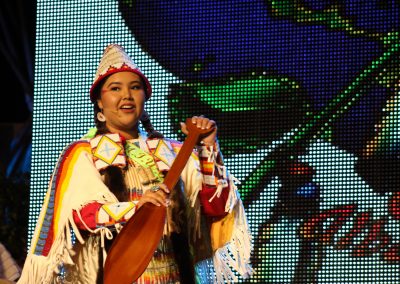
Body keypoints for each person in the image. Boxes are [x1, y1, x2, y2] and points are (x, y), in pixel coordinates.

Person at [18, 44, 253, 283]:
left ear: (144, 98)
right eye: (115, 88)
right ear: (100, 102)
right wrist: (135, 208)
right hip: (115, 273)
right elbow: (80, 215)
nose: (126, 96)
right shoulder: (83, 153)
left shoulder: (174, 152)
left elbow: (218, 207)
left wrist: (208, 147)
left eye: (135, 87)